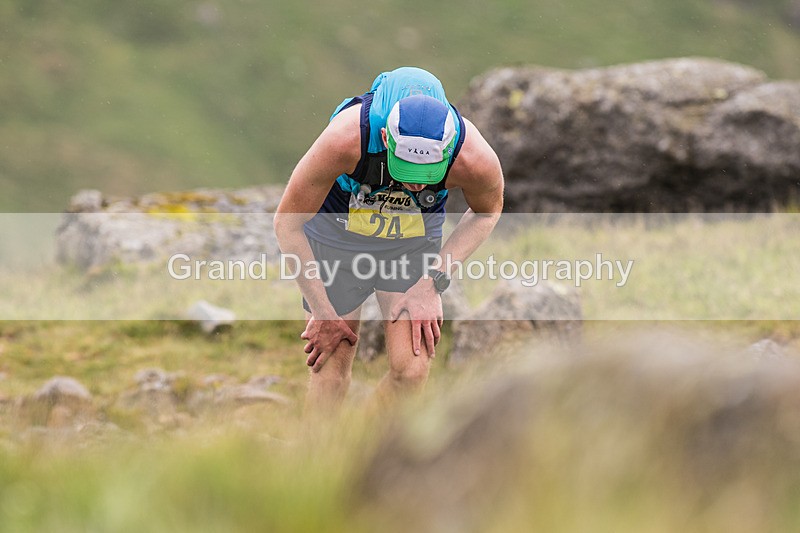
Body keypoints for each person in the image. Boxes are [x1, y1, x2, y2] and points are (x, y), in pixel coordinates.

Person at [274, 66, 503, 413]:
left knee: (411, 372)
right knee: (331, 364)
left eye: (427, 175)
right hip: (337, 233)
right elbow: (287, 223)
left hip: (409, 243)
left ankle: (367, 450)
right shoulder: (344, 139)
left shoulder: (473, 159)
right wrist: (323, 311)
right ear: (386, 140)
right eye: (406, 170)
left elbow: (487, 212)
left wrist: (432, 282)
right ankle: (316, 461)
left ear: (447, 151)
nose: (415, 186)